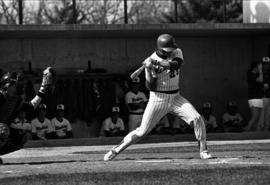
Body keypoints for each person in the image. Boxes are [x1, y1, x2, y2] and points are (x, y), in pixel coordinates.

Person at [104, 34, 212, 161]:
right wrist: (151, 71)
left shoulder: (176, 51)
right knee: (141, 132)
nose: (171, 52)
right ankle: (116, 150)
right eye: (168, 51)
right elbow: (151, 87)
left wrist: (157, 63)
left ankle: (203, 150)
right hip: (158, 99)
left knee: (197, 118)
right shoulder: (150, 61)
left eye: (172, 49)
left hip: (176, 97)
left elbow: (176, 64)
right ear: (160, 49)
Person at [0, 67, 55, 155]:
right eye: (15, 84)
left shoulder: (16, 101)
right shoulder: (1, 97)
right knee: (3, 130)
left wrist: (43, 87)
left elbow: (31, 106)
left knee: (24, 137)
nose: (19, 86)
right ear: (7, 86)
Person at [244, 61, 264, 131]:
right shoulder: (250, 74)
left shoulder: (258, 74)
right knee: (254, 116)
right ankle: (245, 131)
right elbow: (260, 80)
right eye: (259, 66)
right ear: (256, 67)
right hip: (253, 98)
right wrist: (261, 71)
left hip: (259, 97)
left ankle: (254, 133)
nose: (261, 68)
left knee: (258, 118)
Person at [262, 57, 270, 131]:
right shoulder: (259, 73)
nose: (266, 66)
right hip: (261, 97)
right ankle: (258, 133)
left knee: (267, 116)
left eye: (267, 64)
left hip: (268, 96)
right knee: (261, 117)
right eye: (264, 64)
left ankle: (265, 132)